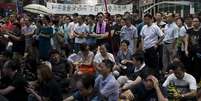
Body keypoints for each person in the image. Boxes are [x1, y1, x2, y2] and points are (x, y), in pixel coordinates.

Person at [186, 17, 201, 82]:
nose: (195, 22)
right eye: (194, 21)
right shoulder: (189, 30)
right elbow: (186, 40)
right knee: (190, 67)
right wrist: (186, 49)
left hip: (199, 52)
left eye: (196, 21)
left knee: (198, 67)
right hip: (191, 52)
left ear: (199, 22)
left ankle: (198, 82)